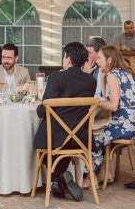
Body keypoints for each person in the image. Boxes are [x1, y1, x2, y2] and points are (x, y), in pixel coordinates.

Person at [32, 42, 96, 202]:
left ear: (67, 59)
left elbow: (45, 111)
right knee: (65, 141)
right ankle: (60, 179)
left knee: (44, 143)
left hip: (56, 136)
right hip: (80, 137)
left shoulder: (55, 78)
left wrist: (38, 106)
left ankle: (58, 177)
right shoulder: (91, 81)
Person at [85, 45, 135, 189]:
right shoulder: (126, 72)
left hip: (123, 126)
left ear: (109, 60)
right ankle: (100, 175)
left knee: (92, 137)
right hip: (132, 123)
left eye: (100, 58)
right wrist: (102, 78)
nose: (97, 61)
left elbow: (113, 106)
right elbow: (107, 98)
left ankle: (89, 178)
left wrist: (94, 103)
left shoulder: (113, 75)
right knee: (98, 133)